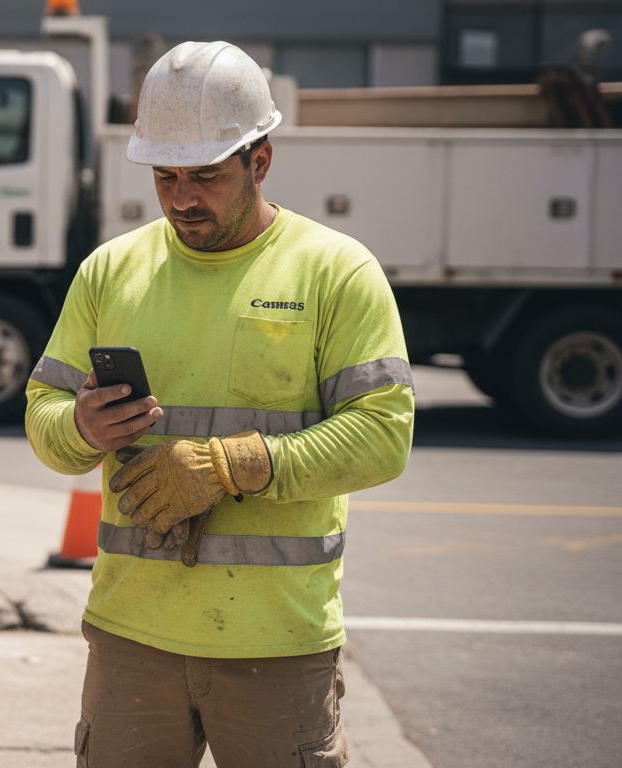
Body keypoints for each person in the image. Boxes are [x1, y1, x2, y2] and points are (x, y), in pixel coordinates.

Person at [25, 41, 414, 768]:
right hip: (130, 635)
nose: (180, 198)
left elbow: (383, 436)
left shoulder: (336, 271)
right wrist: (77, 426)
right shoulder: (111, 271)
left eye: (204, 176)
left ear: (259, 162)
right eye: (164, 176)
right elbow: (43, 412)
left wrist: (231, 464)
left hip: (277, 644)